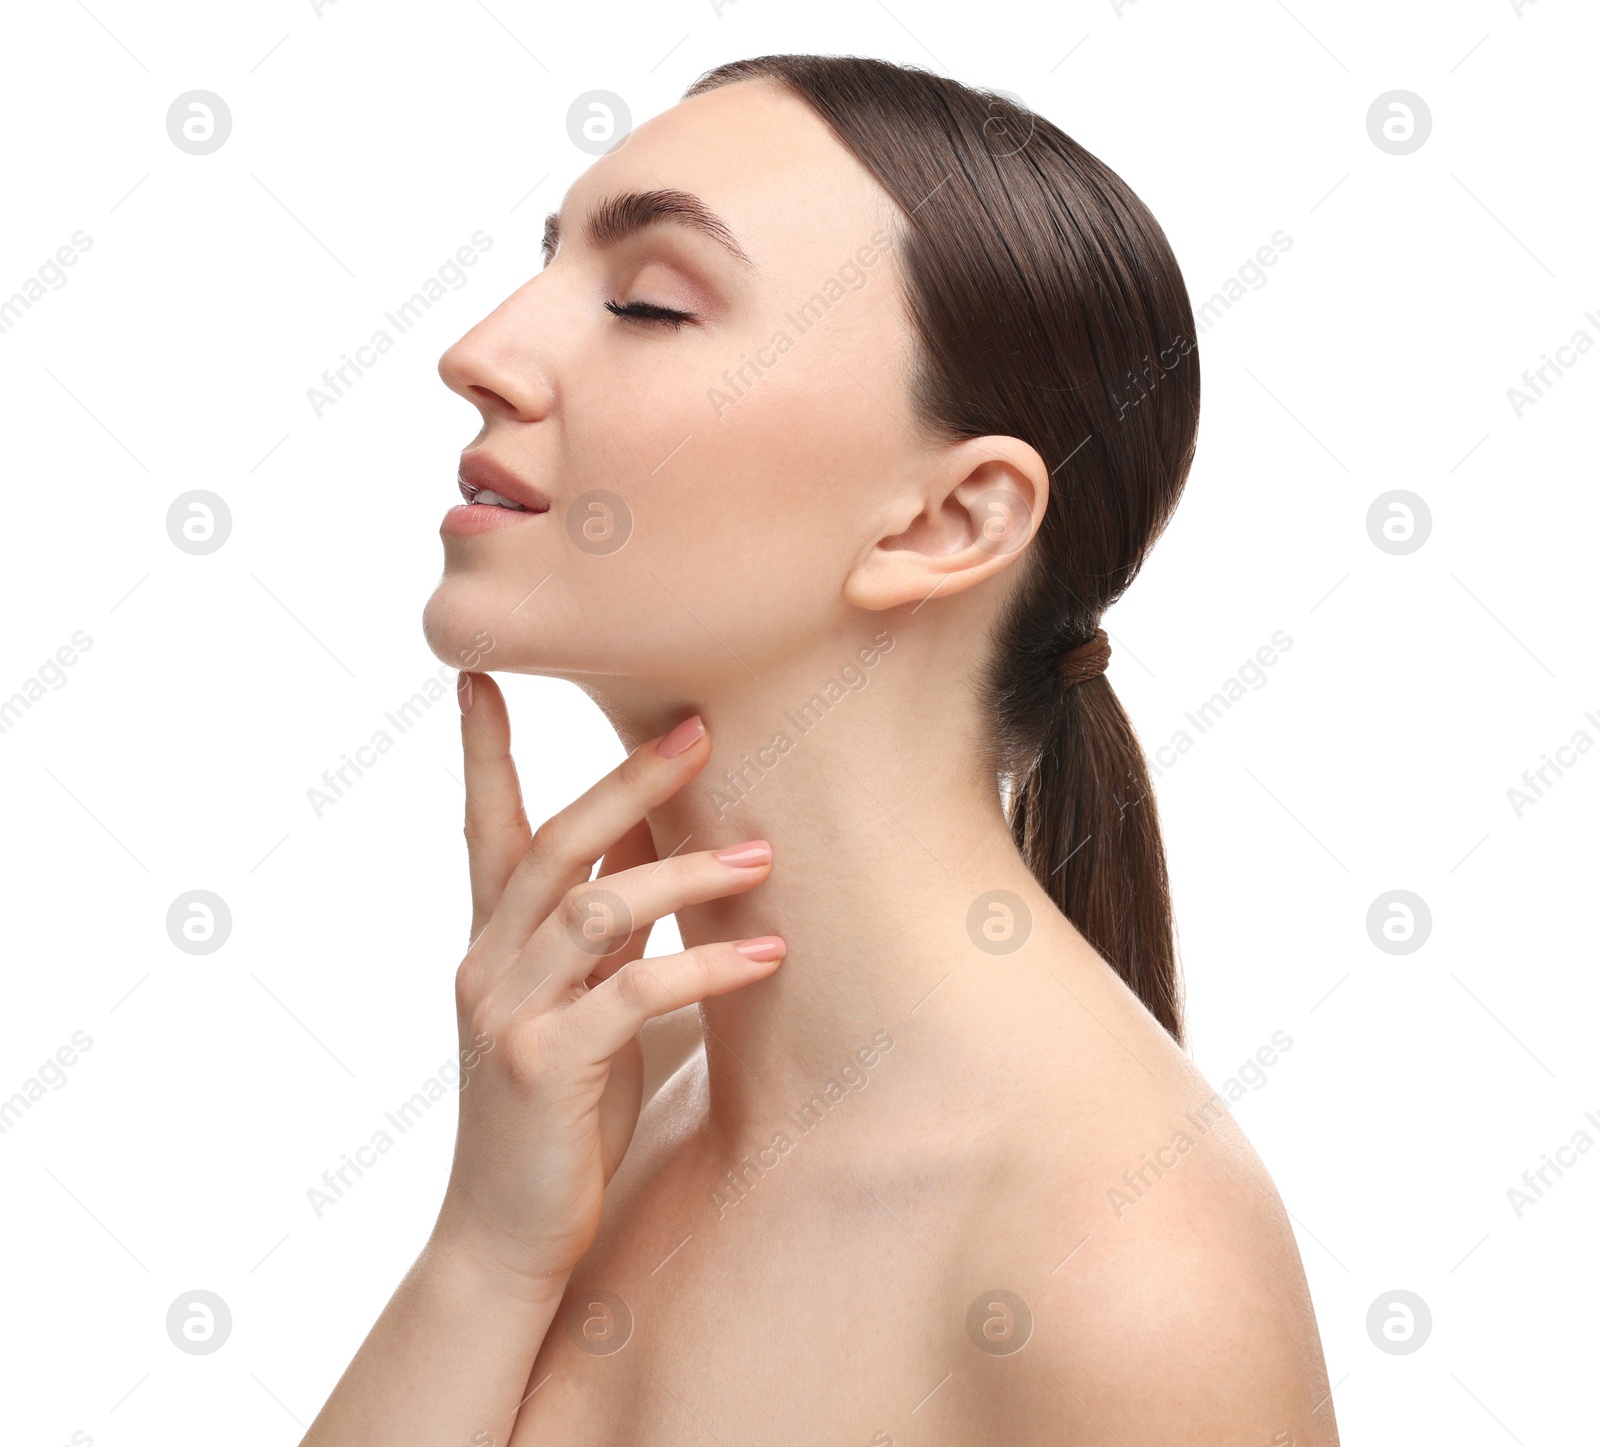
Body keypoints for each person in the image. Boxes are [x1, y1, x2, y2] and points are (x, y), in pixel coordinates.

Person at [302, 54, 1338, 1446]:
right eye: (546, 265)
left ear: (947, 521)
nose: (480, 350)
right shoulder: (625, 1126)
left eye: (649, 304)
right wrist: (485, 1255)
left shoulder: (1127, 1273)